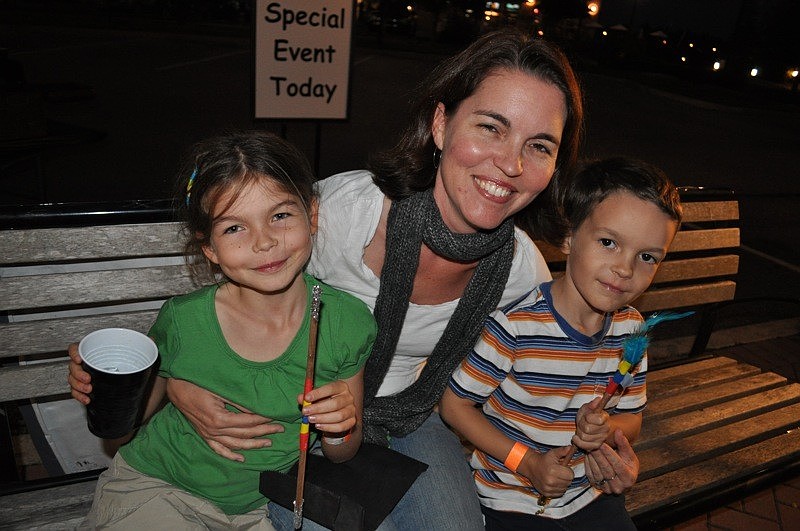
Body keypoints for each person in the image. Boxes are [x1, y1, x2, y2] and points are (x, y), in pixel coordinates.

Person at [69, 30, 640, 530]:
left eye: (539, 146)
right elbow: (228, 295)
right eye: (491, 127)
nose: (510, 164)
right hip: (291, 420)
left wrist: (605, 441)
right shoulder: (342, 213)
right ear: (441, 123)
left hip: (411, 414)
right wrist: (178, 388)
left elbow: (556, 371)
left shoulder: (519, 272)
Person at [74, 131, 376, 529]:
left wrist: (340, 426)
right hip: (159, 486)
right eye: (235, 228)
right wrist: (102, 386)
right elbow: (134, 419)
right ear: (210, 248)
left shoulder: (347, 322)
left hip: (260, 509)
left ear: (312, 216)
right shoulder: (183, 320)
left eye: (280, 215)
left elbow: (342, 454)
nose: (265, 242)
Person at [439, 157, 683, 530]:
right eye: (609, 242)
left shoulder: (631, 331)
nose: (625, 268)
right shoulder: (516, 328)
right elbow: (455, 406)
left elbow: (633, 418)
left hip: (588, 495)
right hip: (510, 497)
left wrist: (607, 430)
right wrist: (527, 462)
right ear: (569, 237)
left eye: (647, 257)